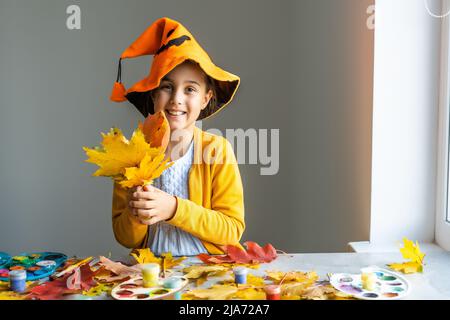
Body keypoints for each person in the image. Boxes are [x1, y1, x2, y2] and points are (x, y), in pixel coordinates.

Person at [109, 17, 245, 256]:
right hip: (150, 273)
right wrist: (135, 213)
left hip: (206, 271)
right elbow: (124, 237)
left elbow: (231, 229)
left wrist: (174, 208)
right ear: (153, 95)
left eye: (190, 89)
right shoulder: (132, 155)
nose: (176, 99)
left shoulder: (217, 151)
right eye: (167, 86)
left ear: (205, 98)